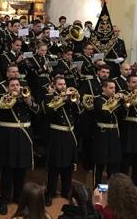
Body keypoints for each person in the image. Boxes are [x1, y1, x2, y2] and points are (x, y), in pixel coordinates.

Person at [0, 78, 40, 215]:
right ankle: (4, 199)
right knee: (8, 171)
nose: (15, 87)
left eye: (17, 85)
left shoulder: (26, 97)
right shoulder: (4, 98)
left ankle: (18, 197)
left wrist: (29, 101)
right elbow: (3, 106)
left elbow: (37, 112)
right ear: (8, 87)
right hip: (9, 137)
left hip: (23, 136)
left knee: (21, 170)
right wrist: (14, 97)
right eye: (12, 85)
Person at [43, 76, 81, 206]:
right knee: (55, 165)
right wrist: (63, 99)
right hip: (57, 134)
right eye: (60, 84)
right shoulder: (49, 96)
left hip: (69, 133)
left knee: (68, 165)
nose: (63, 87)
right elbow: (48, 111)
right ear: (54, 85)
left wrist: (76, 101)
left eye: (64, 84)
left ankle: (66, 190)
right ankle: (50, 192)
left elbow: (79, 113)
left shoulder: (71, 97)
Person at [92, 80, 125, 186]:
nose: (113, 90)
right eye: (111, 88)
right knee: (100, 162)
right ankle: (97, 188)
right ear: (103, 88)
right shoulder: (98, 100)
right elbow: (105, 113)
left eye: (114, 88)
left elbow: (122, 115)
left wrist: (124, 104)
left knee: (113, 162)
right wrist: (116, 100)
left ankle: (110, 187)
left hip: (114, 133)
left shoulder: (114, 100)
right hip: (103, 134)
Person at [119, 74, 137, 190]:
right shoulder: (123, 93)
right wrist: (136, 94)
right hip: (129, 126)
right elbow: (127, 106)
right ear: (128, 83)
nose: (136, 84)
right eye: (133, 82)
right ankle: (123, 181)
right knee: (127, 155)